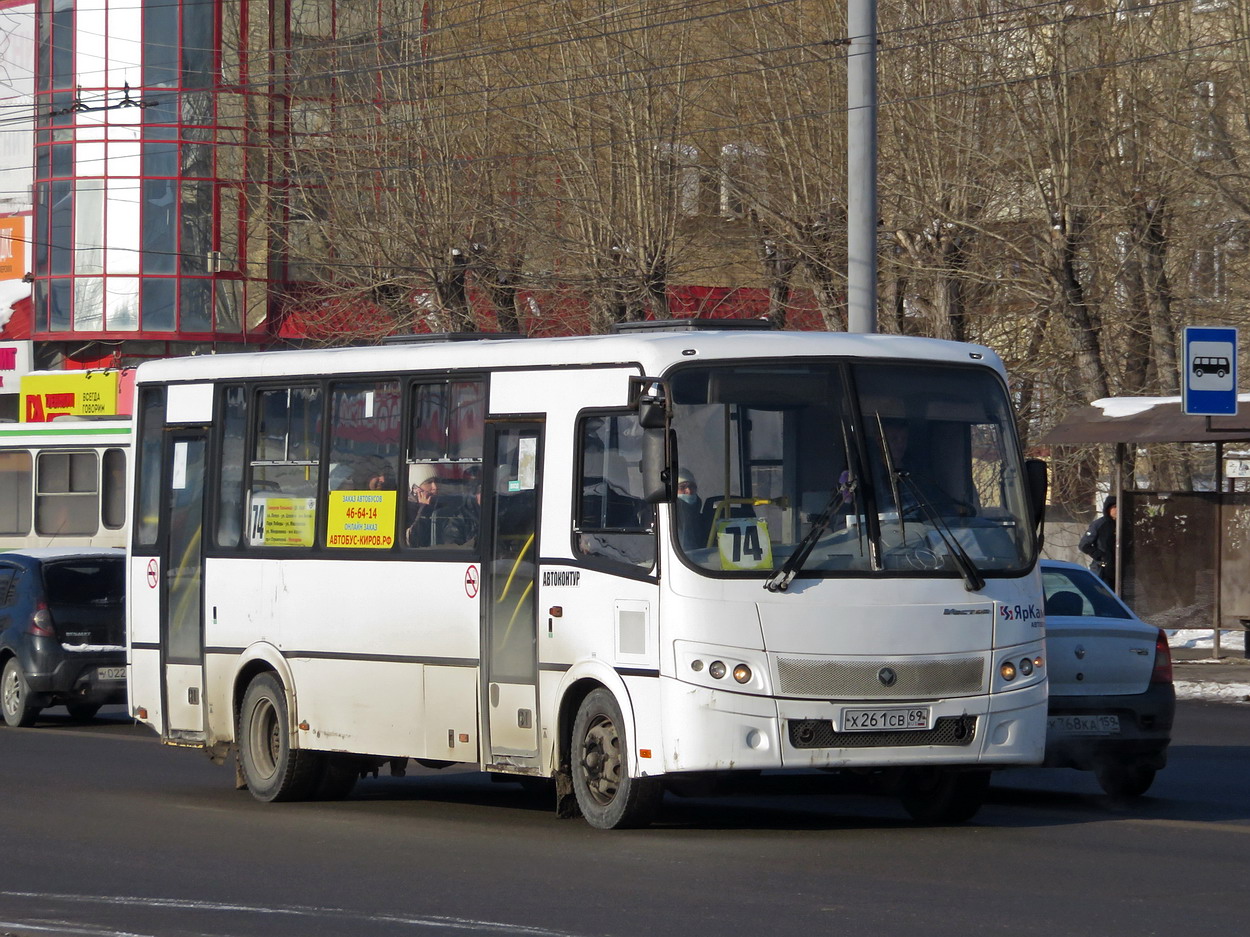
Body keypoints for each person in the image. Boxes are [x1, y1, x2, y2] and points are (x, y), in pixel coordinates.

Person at [1080, 495, 1117, 584]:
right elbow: (1084, 545)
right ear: (1108, 509)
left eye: (1119, 507)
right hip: (1102, 570)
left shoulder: (1127, 525)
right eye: (1114, 507)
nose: (1117, 510)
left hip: (1123, 571)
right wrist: (1101, 556)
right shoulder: (1099, 524)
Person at [675, 468, 709, 550]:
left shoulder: (703, 519)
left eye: (692, 486)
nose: (689, 491)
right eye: (682, 487)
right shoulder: (667, 518)